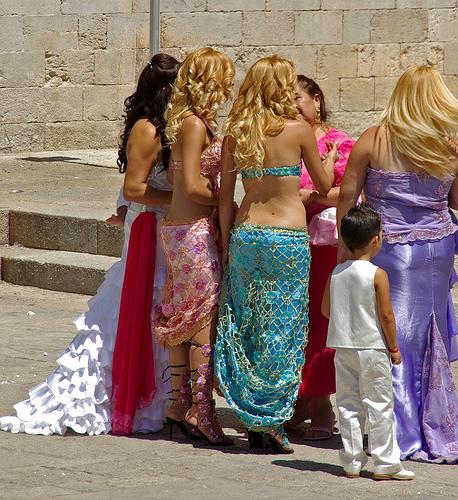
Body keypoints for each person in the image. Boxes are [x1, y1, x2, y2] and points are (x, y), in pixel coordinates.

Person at [0, 53, 180, 436]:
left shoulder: (164, 127)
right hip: (151, 229)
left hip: (163, 231)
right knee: (131, 306)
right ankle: (117, 393)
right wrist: (180, 201)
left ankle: (160, 398)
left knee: (156, 308)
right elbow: (135, 187)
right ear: (166, 89)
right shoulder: (148, 129)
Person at [336, 65, 458, 463]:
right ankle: (437, 428)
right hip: (436, 250)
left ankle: (398, 432)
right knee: (428, 337)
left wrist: (345, 248)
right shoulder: (449, 147)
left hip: (390, 250)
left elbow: (347, 195)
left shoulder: (374, 139)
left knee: (391, 337)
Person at [214, 55, 337, 454]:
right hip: (286, 236)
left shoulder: (238, 130)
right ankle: (272, 421)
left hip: (248, 232)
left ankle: (252, 417)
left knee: (248, 322)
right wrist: (332, 159)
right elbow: (320, 183)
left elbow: (225, 195)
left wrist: (225, 238)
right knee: (282, 328)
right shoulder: (299, 130)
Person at [152, 48, 235, 446]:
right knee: (202, 315)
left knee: (183, 314)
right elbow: (188, 185)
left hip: (183, 228)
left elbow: (176, 173)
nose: (227, 89)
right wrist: (226, 199)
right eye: (224, 81)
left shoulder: (189, 123)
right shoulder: (194, 125)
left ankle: (178, 405)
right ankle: (201, 410)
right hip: (192, 231)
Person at [322, 204, 415, 480]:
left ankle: (351, 461)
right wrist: (394, 347)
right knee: (379, 403)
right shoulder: (377, 274)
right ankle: (385, 462)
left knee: (348, 403)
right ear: (376, 239)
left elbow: (326, 310)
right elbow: (386, 315)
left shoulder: (336, 273)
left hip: (343, 345)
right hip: (372, 347)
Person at [287, 75, 355, 440]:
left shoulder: (341, 142)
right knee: (297, 322)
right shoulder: (286, 137)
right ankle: (300, 398)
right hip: (293, 240)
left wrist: (312, 197)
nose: (293, 105)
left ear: (317, 100)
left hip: (327, 244)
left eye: (298, 98)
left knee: (323, 322)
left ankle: (322, 403)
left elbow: (352, 189)